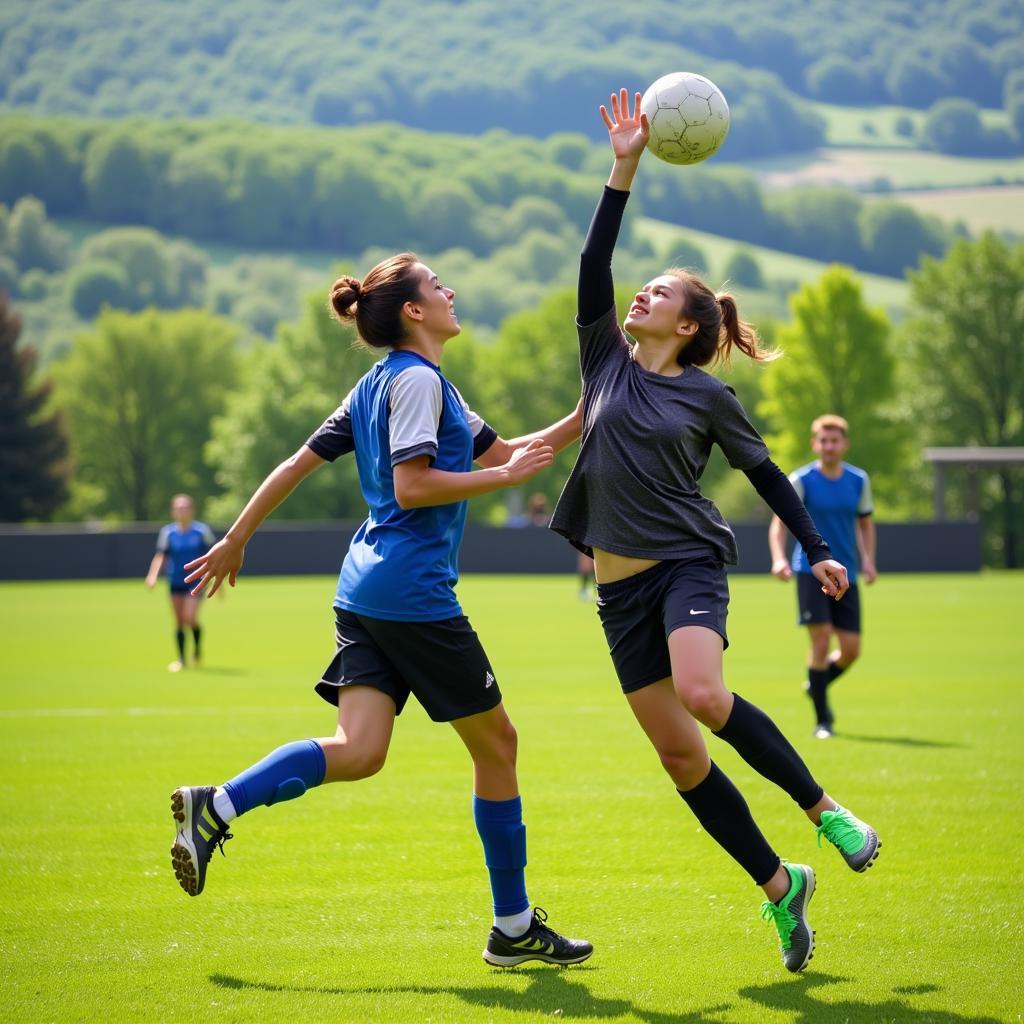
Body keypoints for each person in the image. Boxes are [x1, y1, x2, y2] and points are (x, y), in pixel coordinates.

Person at [171, 253, 592, 968]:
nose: (451, 290)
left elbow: (298, 464)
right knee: (500, 745)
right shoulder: (421, 382)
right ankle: (514, 926)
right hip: (411, 591)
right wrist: (499, 479)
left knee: (361, 752)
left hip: (361, 589)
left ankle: (219, 806)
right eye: (437, 285)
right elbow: (413, 487)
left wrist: (594, 406)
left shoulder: (393, 384)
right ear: (414, 312)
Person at [549, 90, 880, 973]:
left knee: (702, 694)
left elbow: (767, 474)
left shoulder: (706, 393)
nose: (639, 294)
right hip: (617, 595)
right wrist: (622, 168)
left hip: (687, 565)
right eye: (643, 288)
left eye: (658, 293)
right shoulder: (604, 360)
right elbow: (593, 262)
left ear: (688, 325)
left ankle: (824, 810)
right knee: (680, 756)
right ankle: (781, 889)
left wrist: (818, 548)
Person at [768, 415, 877, 739]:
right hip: (809, 570)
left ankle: (815, 685)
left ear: (844, 444)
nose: (829, 446)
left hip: (848, 574)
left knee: (851, 650)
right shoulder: (802, 480)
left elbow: (866, 523)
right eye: (823, 441)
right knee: (820, 640)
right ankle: (822, 721)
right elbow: (780, 522)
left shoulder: (859, 480)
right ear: (815, 444)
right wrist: (778, 558)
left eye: (835, 440)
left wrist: (869, 561)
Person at [145, 494, 216, 671]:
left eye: (185, 507)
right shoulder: (168, 532)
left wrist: (217, 578)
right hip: (175, 580)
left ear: (192, 510)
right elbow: (161, 555)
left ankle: (197, 650)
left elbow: (214, 555)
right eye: (179, 508)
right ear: (173, 511)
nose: (182, 511)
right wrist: (153, 575)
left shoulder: (201, 531)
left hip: (196, 581)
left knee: (189, 617)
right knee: (178, 621)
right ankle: (182, 659)